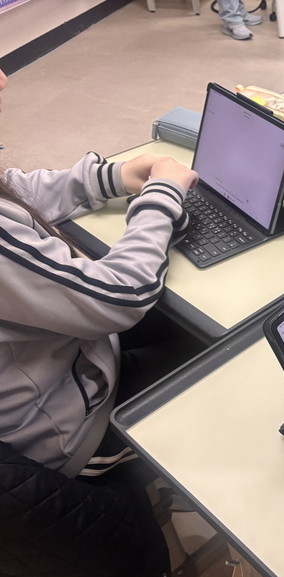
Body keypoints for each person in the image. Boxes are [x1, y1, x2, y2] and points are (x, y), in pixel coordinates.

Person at [0, 68, 201, 480]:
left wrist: (107, 178)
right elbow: (120, 297)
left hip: (69, 364)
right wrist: (162, 199)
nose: (3, 79)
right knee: (232, 360)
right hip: (68, 431)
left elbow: (13, 190)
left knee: (189, 324)